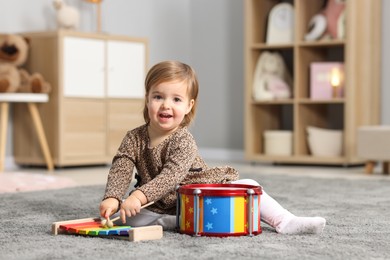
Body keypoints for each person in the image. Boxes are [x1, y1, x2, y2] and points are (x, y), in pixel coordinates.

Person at [99, 60, 326, 235]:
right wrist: (113, 197)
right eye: (158, 97)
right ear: (147, 99)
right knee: (120, 220)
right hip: (156, 203)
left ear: (189, 106)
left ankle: (284, 220)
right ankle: (173, 221)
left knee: (249, 186)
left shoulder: (183, 140)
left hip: (197, 196)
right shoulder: (134, 137)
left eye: (176, 100)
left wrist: (138, 195)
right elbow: (121, 166)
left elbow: (171, 176)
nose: (166, 105)